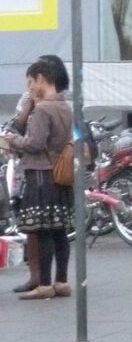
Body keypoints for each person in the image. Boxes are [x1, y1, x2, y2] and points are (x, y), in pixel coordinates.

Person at [6, 59, 74, 299]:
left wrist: (12, 140)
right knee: (59, 232)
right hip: (60, 174)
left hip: (41, 175)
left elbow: (34, 143)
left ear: (42, 79)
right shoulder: (65, 106)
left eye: (31, 81)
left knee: (43, 231)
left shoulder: (43, 109)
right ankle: (62, 281)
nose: (29, 87)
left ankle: (44, 285)